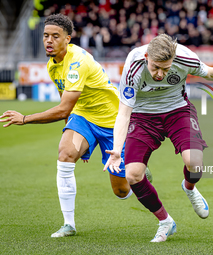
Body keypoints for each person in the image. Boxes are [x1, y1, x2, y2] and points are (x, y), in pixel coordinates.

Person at [0, 14, 151, 238]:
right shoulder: (53, 65)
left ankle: (139, 172)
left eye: (55, 36)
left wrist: (24, 119)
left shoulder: (78, 61)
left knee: (121, 190)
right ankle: (68, 224)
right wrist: (78, 141)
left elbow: (62, 108)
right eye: (45, 36)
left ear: (67, 39)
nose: (48, 41)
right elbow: (67, 107)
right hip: (84, 117)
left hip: (113, 121)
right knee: (66, 153)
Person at [104, 34, 213, 242]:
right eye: (155, 68)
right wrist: (117, 149)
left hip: (178, 111)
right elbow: (124, 112)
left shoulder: (185, 57)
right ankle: (165, 221)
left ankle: (189, 187)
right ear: (146, 57)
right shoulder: (133, 65)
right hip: (143, 116)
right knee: (133, 174)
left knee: (194, 162)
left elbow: (210, 72)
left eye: (166, 68)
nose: (160, 74)